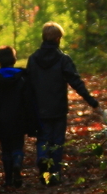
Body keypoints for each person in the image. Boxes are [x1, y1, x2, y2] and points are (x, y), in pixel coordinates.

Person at [27, 21, 100, 185]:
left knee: (43, 139)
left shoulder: (33, 59)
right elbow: (76, 82)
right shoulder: (63, 59)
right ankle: (54, 176)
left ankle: (43, 166)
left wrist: (27, 107)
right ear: (58, 38)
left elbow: (28, 85)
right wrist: (91, 100)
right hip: (58, 107)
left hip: (39, 107)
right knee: (57, 141)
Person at [0, 45, 36, 188]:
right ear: (14, 59)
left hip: (1, 121)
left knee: (5, 148)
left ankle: (8, 180)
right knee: (18, 145)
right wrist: (31, 120)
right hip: (19, 119)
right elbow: (28, 101)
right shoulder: (22, 79)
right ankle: (17, 163)